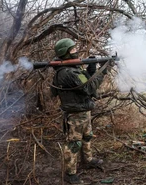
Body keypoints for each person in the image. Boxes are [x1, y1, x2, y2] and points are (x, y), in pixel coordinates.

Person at [51, 38, 110, 184]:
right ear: (64, 53)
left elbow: (85, 83)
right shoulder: (67, 72)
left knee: (87, 137)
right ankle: (70, 173)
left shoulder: (72, 69)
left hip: (83, 110)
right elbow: (90, 88)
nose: (75, 52)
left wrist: (91, 69)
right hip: (75, 114)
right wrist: (103, 71)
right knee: (74, 143)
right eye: (72, 50)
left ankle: (87, 160)